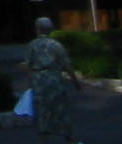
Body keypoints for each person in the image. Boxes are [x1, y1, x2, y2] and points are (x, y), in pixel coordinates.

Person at [24, 16, 83, 144]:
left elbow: (28, 66)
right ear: (50, 30)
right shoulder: (57, 45)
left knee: (42, 114)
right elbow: (67, 65)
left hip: (38, 81)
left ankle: (44, 141)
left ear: (37, 29)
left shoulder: (32, 45)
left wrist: (30, 84)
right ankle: (70, 140)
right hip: (55, 80)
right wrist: (76, 82)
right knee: (62, 112)